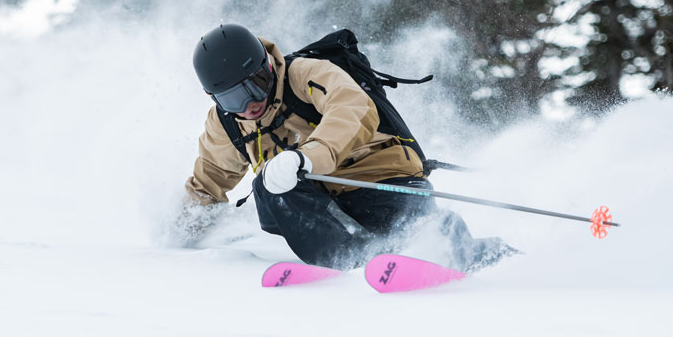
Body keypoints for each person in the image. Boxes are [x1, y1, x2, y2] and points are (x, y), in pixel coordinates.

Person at [178, 23, 515, 272]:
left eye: (257, 84)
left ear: (268, 65)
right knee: (267, 186)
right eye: (233, 98)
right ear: (215, 100)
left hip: (381, 180)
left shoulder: (306, 74)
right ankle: (353, 261)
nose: (250, 103)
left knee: (419, 232)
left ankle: (470, 250)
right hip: (325, 208)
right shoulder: (225, 124)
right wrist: (182, 230)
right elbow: (208, 181)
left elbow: (351, 107)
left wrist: (309, 156)